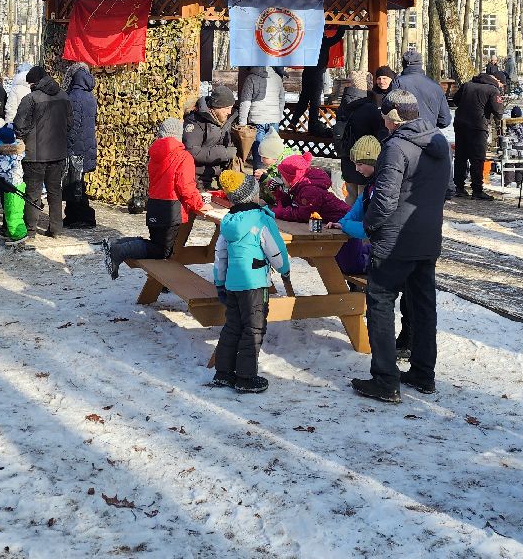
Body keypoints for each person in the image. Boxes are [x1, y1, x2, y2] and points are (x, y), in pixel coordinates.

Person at [352, 89, 450, 404]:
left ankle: (384, 379)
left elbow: (384, 199)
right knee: (422, 305)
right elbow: (445, 190)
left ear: (393, 117)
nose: (383, 120)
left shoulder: (395, 148)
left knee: (380, 301)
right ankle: (423, 373)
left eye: (385, 115)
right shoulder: (439, 143)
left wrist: (369, 226)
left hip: (395, 240)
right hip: (427, 237)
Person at [211, 170, 290, 394]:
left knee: (233, 325)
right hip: (254, 284)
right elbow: (275, 250)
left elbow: (220, 255)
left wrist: (220, 282)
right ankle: (245, 377)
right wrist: (284, 269)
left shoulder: (228, 222)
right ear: (253, 196)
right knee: (254, 328)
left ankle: (224, 372)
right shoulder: (261, 219)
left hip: (233, 284)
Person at [102, 118, 206, 277]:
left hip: (155, 205)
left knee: (157, 245)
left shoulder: (155, 154)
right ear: (179, 135)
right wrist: (200, 204)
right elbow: (185, 187)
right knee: (162, 251)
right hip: (171, 208)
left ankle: (119, 244)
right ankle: (120, 249)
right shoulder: (183, 157)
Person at [14, 70, 72, 236]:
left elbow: (20, 126)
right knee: (55, 192)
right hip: (59, 153)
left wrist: (22, 137)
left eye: (30, 83)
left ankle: (31, 228)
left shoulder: (31, 99)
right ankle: (56, 228)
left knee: (33, 192)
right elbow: (70, 123)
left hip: (34, 154)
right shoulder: (64, 96)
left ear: (34, 82)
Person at [452, 72, 504, 200]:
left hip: (460, 124)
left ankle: (459, 187)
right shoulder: (493, 90)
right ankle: (477, 190)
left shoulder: (467, 85)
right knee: (477, 158)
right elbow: (498, 110)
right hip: (478, 127)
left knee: (461, 156)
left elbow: (455, 100)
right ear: (497, 80)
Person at [333, 136, 380, 275]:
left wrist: (346, 225)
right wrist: (342, 222)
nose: (356, 169)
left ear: (372, 162)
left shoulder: (383, 187)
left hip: (391, 251)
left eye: (360, 164)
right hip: (377, 247)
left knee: (350, 263)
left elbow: (371, 228)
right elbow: (357, 209)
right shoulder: (371, 185)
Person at [63, 62, 99, 229]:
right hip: (86, 146)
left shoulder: (74, 97)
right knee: (77, 182)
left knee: (74, 184)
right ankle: (73, 216)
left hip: (76, 148)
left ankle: (83, 217)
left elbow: (72, 126)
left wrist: (67, 146)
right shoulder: (89, 96)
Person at [269, 152, 349, 224]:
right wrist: (279, 194)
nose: (281, 178)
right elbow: (295, 205)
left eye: (283, 176)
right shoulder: (299, 186)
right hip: (333, 222)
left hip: (345, 221)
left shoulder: (310, 190)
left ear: (291, 177)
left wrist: (280, 213)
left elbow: (305, 215)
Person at [183, 83, 238, 188]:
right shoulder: (194, 121)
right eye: (226, 108)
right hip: (198, 179)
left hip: (219, 176)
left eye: (230, 108)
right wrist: (225, 153)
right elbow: (192, 151)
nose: (229, 112)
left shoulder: (224, 120)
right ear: (216, 106)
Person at [337, 85, 386, 200]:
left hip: (346, 157)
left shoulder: (343, 106)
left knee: (350, 196)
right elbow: (381, 132)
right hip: (365, 160)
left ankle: (348, 217)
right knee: (363, 198)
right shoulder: (370, 109)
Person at [0, 121, 29, 242]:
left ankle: (19, 236)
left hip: (12, 187)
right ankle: (12, 232)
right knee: (14, 211)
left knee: (13, 213)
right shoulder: (17, 151)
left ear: (0, 141)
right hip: (17, 185)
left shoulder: (4, 155)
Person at [295, 26, 344, 135]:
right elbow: (338, 36)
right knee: (315, 101)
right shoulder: (324, 42)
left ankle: (293, 121)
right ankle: (313, 125)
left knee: (304, 98)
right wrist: (342, 25)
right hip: (317, 74)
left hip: (307, 73)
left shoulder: (307, 43)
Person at [235, 66, 285, 165]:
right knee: (273, 152)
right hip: (274, 119)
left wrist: (242, 123)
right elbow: (282, 100)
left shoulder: (251, 78)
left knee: (259, 151)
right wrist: (278, 116)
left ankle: (259, 176)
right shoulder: (277, 78)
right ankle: (272, 176)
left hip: (257, 119)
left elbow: (245, 102)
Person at [391, 49, 451, 129]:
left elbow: (390, 112)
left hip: (405, 134)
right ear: (420, 64)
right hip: (429, 134)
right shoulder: (435, 86)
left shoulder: (398, 83)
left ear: (404, 64)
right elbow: (445, 120)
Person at [502, 108, 523, 187]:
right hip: (521, 149)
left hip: (510, 148)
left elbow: (504, 136)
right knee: (520, 165)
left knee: (509, 164)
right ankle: (519, 182)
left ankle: (508, 181)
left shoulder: (507, 124)